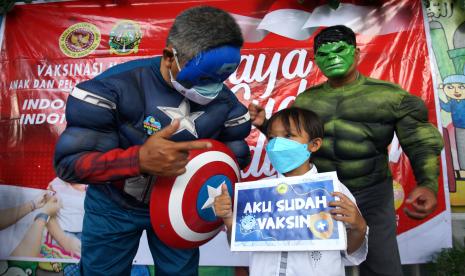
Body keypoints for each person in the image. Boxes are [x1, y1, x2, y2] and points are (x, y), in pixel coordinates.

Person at [54, 6, 251, 276]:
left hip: (181, 208)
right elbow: (69, 164)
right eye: (204, 77)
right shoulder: (111, 89)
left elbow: (232, 161)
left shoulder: (228, 107)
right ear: (170, 56)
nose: (214, 87)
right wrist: (138, 160)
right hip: (114, 206)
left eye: (222, 77)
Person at [248, 25, 444, 275]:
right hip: (321, 194)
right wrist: (265, 125)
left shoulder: (390, 97)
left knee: (382, 266)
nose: (333, 58)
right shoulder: (307, 101)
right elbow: (293, 141)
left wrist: (427, 183)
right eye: (324, 54)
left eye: (340, 50)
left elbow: (421, 141)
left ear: (357, 52)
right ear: (316, 59)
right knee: (317, 265)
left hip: (372, 192)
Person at [214, 107, 368, 276]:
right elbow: (240, 241)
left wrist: (359, 227)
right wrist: (229, 220)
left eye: (288, 136)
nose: (277, 144)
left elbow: (349, 250)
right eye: (272, 138)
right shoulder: (258, 193)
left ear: (314, 144)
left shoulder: (333, 190)